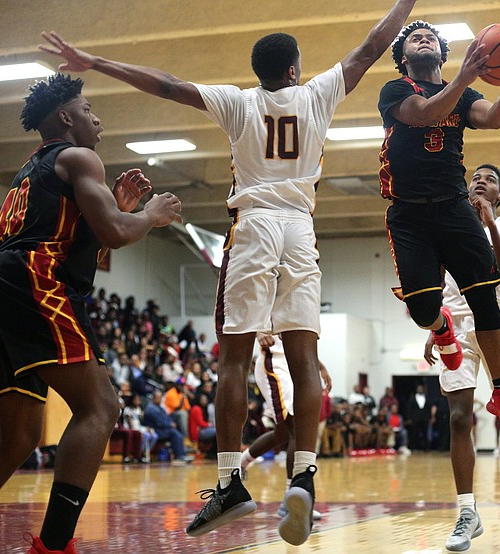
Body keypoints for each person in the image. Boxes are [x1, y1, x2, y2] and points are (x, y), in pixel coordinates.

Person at [39, 1, 418, 545]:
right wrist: (405, 3)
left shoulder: (239, 102)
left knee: (235, 358)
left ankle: (230, 484)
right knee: (303, 357)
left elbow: (168, 85)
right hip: (300, 228)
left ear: (260, 71)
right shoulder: (317, 93)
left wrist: (94, 61)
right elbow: (370, 48)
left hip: (255, 226)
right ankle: (305, 474)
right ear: (293, 69)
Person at [0, 73, 181, 553]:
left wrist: (120, 210)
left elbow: (89, 240)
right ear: (65, 116)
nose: (96, 117)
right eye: (87, 109)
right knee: (101, 406)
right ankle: (55, 545)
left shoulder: (31, 170)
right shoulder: (81, 157)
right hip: (32, 278)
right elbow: (116, 235)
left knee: (19, 434)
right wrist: (151, 214)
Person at [378, 21, 500, 434]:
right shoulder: (396, 91)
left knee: (487, 295)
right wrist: (466, 74)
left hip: (453, 207)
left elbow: (495, 117)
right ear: (404, 56)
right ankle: (443, 327)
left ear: (442, 52)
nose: (424, 38)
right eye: (415, 37)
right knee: (423, 310)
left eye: (430, 36)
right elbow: (426, 113)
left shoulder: (464, 94)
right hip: (408, 214)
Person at [424, 164, 500, 551]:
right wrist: (434, 328)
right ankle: (466, 512)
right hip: (455, 327)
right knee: (459, 418)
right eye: (476, 176)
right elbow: (439, 282)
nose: (480, 180)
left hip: (493, 322)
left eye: (490, 179)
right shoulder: (448, 223)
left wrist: (490, 223)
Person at [241, 333, 330, 521]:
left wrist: (320, 366)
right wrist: (259, 331)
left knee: (282, 433)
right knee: (297, 430)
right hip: (275, 363)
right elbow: (253, 306)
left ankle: (242, 462)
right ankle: (291, 501)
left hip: (293, 363)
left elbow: (300, 337)